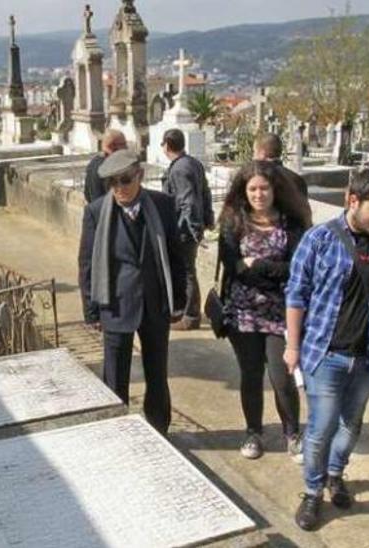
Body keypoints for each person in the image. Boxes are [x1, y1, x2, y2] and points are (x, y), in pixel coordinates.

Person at [287, 168, 369, 531]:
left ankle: (336, 473)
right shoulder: (319, 239)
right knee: (321, 426)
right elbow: (296, 295)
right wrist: (292, 347)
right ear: (352, 200)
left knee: (351, 422)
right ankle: (312, 492)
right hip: (325, 352)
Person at [78, 150, 187, 433]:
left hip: (154, 305)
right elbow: (88, 262)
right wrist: (91, 310)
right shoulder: (96, 211)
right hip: (115, 304)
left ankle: (159, 429)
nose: (119, 188)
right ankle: (118, 430)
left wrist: (179, 301)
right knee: (115, 376)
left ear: (139, 176)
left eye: (125, 180)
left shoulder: (162, 206)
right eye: (112, 183)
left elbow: (177, 257)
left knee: (157, 372)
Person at [216, 161, 310, 462]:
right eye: (253, 188)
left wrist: (259, 265)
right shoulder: (233, 222)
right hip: (243, 314)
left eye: (264, 188)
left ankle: (293, 433)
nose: (259, 194)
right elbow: (234, 267)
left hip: (282, 314)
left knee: (282, 377)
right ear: (244, 192)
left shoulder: (291, 223)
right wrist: (268, 271)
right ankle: (253, 432)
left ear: (275, 189)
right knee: (251, 375)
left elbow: (297, 269)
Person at [161, 128, 214, 330]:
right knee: (185, 271)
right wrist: (208, 219)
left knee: (187, 272)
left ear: (167, 145)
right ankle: (183, 311)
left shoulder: (179, 169)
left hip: (182, 230)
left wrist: (193, 229)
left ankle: (191, 316)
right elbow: (205, 193)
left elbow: (188, 202)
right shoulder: (193, 163)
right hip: (187, 227)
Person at [253, 133, 312, 227]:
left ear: (261, 153)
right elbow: (305, 213)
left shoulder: (255, 179)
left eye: (254, 152)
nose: (254, 157)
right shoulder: (297, 179)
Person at [84, 130, 127, 204]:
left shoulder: (94, 162)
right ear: (113, 146)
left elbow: (87, 193)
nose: (126, 147)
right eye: (123, 144)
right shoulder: (111, 167)